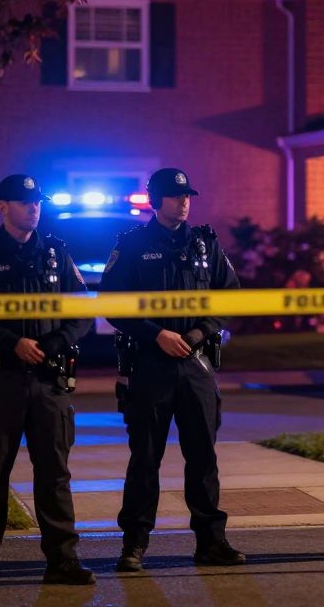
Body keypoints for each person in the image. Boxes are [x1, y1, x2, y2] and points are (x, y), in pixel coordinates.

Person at [0, 174, 94, 591]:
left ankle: (63, 560)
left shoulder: (55, 253)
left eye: (37, 202)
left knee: (54, 474)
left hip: (49, 381)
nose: (34, 208)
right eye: (24, 202)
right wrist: (11, 343)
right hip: (1, 380)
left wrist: (53, 343)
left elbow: (82, 312)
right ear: (2, 207)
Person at [100, 168, 244, 571]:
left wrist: (200, 332)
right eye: (176, 196)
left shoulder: (205, 243)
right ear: (155, 201)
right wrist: (156, 334)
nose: (184, 202)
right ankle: (134, 544)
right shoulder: (132, 245)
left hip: (196, 364)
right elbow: (111, 303)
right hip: (150, 363)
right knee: (145, 458)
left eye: (187, 196)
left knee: (203, 458)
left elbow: (230, 296)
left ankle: (211, 542)